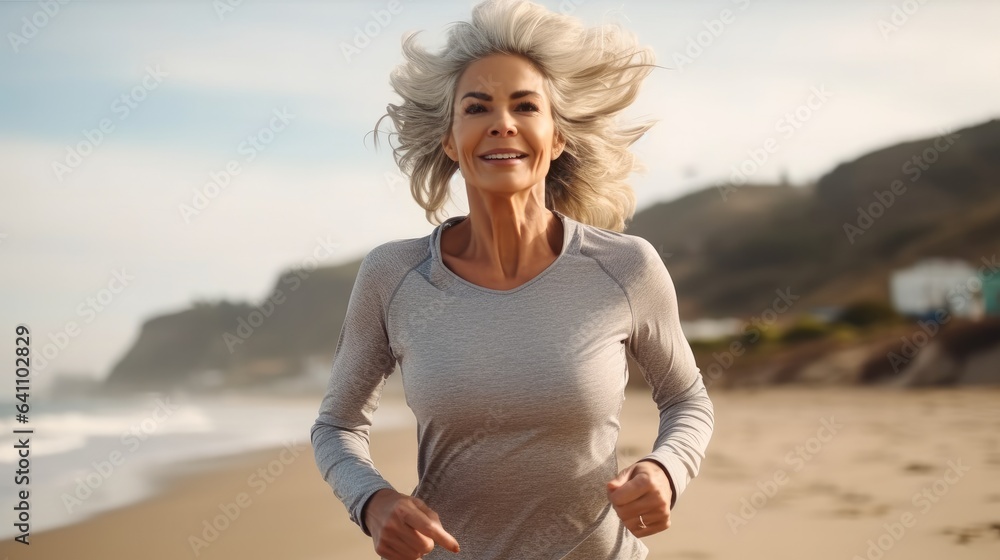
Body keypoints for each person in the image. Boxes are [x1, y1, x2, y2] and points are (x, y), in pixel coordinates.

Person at [311, 1, 715, 558]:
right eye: (477, 108)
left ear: (556, 138)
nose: (502, 121)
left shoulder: (626, 268)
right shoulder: (394, 276)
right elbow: (336, 424)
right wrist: (373, 502)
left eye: (525, 105)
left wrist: (666, 470)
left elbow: (687, 398)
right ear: (450, 141)